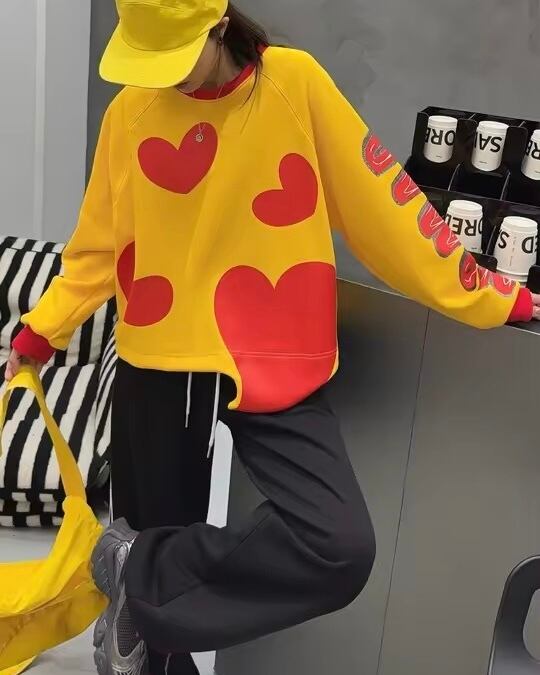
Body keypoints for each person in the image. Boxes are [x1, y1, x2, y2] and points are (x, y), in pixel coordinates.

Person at [5, 0, 540, 673]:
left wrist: (495, 295)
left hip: (274, 353)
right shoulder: (129, 114)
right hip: (159, 360)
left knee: (337, 546)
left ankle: (136, 571)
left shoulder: (295, 84)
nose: (164, 78)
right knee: (154, 641)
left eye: (176, 56)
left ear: (219, 25)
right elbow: (95, 250)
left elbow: (388, 211)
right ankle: (144, 607)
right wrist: (39, 332)